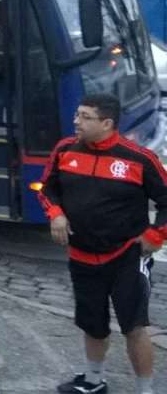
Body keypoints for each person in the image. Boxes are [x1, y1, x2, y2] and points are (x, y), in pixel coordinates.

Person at [39, 94, 167, 394]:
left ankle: (145, 390)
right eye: (77, 115)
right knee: (92, 323)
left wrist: (155, 235)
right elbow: (47, 189)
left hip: (127, 256)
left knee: (134, 327)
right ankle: (94, 381)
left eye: (85, 117)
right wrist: (55, 214)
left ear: (107, 123)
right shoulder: (64, 149)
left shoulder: (139, 158)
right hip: (82, 255)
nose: (76, 121)